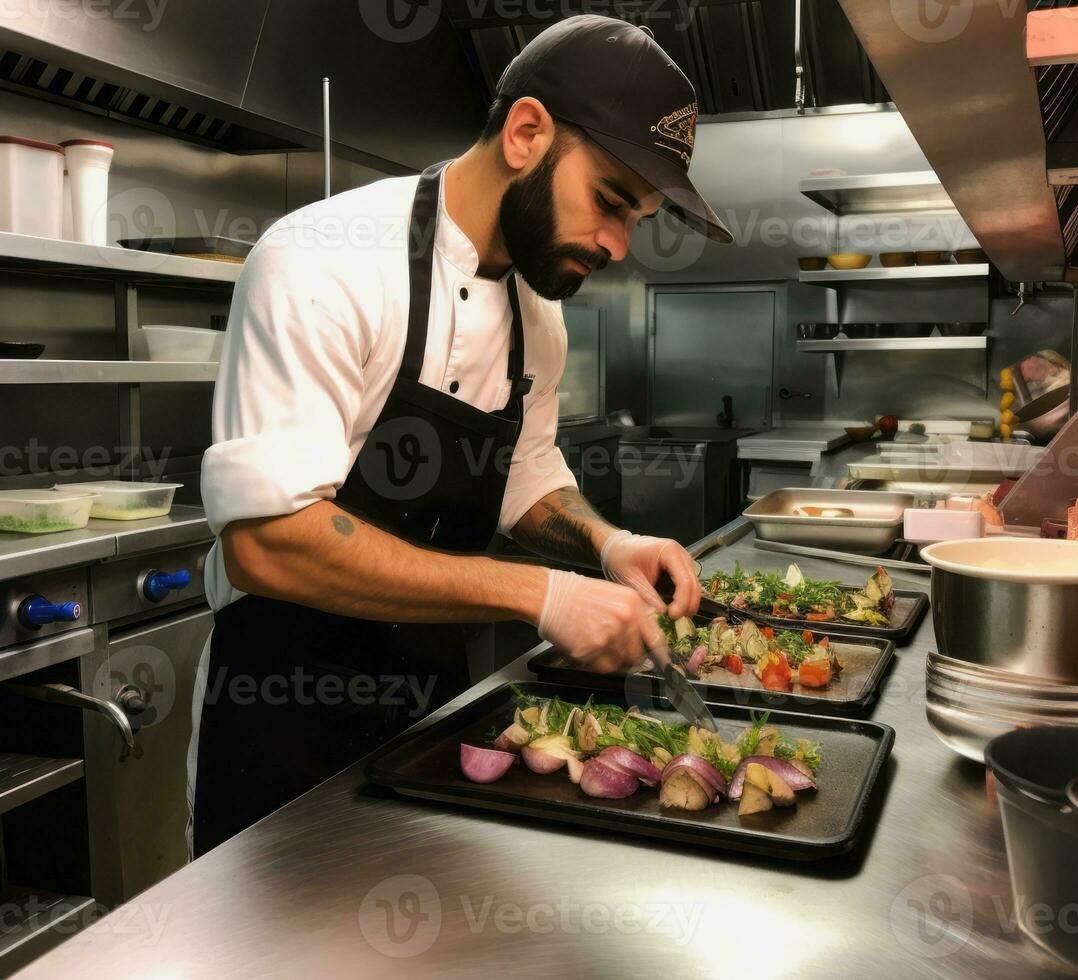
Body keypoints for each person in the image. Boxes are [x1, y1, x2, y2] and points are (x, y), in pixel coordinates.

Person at [189, 15, 732, 855]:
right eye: (611, 201)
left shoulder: (538, 316)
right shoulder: (321, 262)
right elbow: (269, 542)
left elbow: (523, 473)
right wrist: (539, 595)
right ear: (525, 133)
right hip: (278, 711)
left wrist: (608, 543)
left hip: (435, 708)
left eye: (639, 219)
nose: (620, 244)